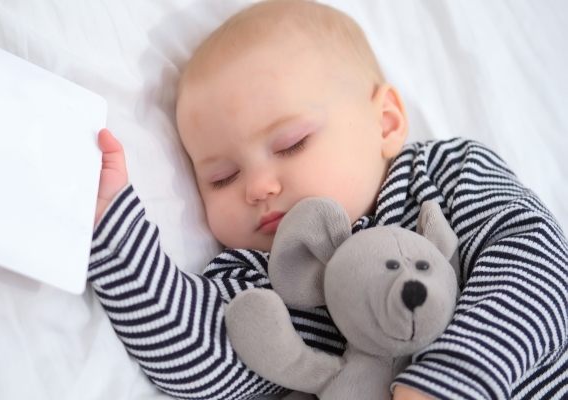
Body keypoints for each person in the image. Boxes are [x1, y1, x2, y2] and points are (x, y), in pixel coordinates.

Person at [88, 1, 568, 399]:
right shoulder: (265, 278)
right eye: (222, 176)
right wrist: (114, 234)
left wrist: (455, 377)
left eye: (291, 144)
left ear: (385, 123)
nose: (257, 187)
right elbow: (197, 354)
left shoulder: (446, 173)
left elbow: (539, 263)